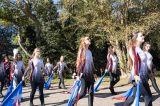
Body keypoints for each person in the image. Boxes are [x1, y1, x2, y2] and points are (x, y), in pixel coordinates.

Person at [124, 32, 152, 106]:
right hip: (138, 76)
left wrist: (149, 73)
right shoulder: (133, 48)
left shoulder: (140, 49)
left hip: (143, 76)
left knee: (134, 96)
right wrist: (136, 75)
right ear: (136, 38)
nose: (143, 36)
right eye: (141, 36)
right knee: (148, 96)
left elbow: (144, 64)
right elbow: (136, 61)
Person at [72, 36, 95, 106]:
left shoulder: (90, 52)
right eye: (87, 39)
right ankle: (72, 103)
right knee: (83, 93)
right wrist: (78, 75)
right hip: (83, 75)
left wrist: (94, 73)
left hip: (90, 75)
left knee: (91, 93)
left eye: (89, 38)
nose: (89, 39)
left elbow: (91, 63)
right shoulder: (82, 51)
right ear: (84, 42)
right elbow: (79, 64)